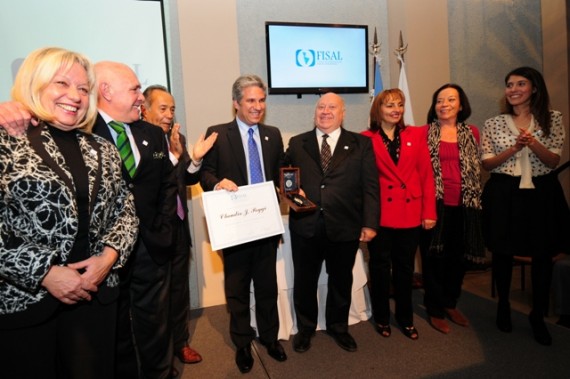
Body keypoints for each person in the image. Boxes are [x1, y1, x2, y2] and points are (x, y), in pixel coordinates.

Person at [0, 47, 138, 378]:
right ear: (36, 83)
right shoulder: (6, 141)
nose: (74, 96)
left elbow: (126, 210)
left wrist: (108, 258)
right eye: (61, 83)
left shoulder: (102, 147)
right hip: (25, 305)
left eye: (82, 88)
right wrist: (46, 273)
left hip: (95, 299)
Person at [199, 74, 286, 373]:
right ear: (236, 103)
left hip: (265, 226)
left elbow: (281, 173)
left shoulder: (272, 134)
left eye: (261, 100)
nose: (257, 106)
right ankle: (242, 343)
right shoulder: (217, 134)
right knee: (236, 289)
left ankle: (270, 338)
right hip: (234, 227)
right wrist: (217, 182)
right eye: (251, 100)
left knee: (267, 286)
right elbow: (204, 174)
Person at [286, 92, 379, 352]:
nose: (325, 111)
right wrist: (290, 191)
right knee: (305, 281)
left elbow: (371, 187)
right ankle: (306, 328)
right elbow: (283, 176)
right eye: (321, 107)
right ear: (314, 112)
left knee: (341, 280)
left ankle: (339, 327)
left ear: (343, 112)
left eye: (332, 107)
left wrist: (370, 223)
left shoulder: (361, 144)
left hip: (345, 226)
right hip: (306, 226)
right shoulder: (296, 143)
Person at [481, 66, 567, 346]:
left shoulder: (553, 119)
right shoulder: (493, 123)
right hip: (505, 192)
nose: (513, 89)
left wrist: (533, 144)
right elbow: (487, 163)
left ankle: (537, 315)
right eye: (509, 84)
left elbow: (553, 161)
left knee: (543, 255)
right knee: (503, 252)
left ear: (534, 89)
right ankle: (503, 305)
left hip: (542, 194)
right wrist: (515, 148)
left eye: (520, 84)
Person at [141, 85, 217, 373]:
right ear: (144, 109)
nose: (169, 114)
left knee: (179, 291)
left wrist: (195, 158)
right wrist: (173, 156)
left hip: (179, 228)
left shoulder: (178, 138)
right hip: (152, 234)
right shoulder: (139, 141)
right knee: (156, 299)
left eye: (172, 109)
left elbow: (186, 179)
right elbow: (150, 184)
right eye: (163, 108)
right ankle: (160, 356)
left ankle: (180, 342)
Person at [362, 89, 436, 340]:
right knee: (380, 269)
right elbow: (363, 182)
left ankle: (405, 318)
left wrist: (429, 212)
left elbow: (426, 175)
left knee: (405, 270)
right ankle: (382, 317)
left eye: (400, 105)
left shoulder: (416, 134)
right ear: (378, 110)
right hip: (380, 214)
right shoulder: (366, 138)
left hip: (410, 212)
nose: (395, 109)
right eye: (389, 105)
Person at [419, 84, 485, 335]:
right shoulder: (424, 133)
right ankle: (434, 308)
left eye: (450, 99)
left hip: (465, 205)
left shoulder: (472, 132)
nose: (444, 104)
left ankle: (450, 301)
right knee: (432, 258)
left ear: (461, 105)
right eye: (439, 100)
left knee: (458, 258)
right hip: (433, 204)